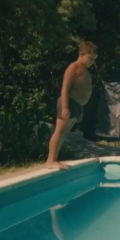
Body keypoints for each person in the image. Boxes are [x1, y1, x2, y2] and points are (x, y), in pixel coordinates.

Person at [46, 41, 98, 169]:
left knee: (64, 134)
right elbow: (65, 88)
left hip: (77, 105)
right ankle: (50, 160)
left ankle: (54, 159)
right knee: (59, 132)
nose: (92, 62)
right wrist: (65, 107)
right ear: (82, 54)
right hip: (69, 102)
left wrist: (80, 109)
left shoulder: (85, 71)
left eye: (94, 60)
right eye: (90, 58)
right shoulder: (73, 67)